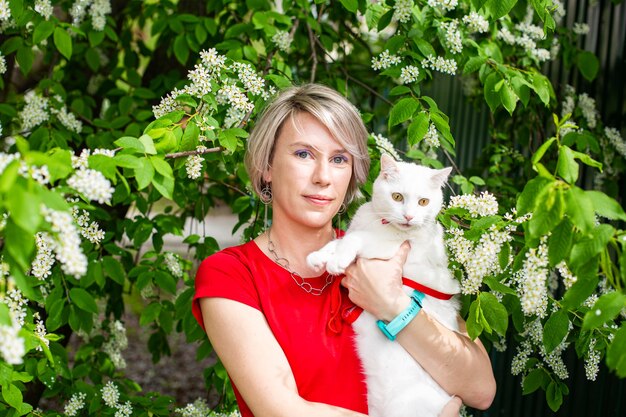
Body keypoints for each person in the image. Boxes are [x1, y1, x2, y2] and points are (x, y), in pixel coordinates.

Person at [192, 84, 496, 417]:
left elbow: (480, 389)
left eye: (339, 159)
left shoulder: (390, 253)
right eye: (303, 154)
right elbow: (280, 410)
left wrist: (394, 306)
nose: (323, 177)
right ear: (267, 166)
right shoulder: (232, 275)